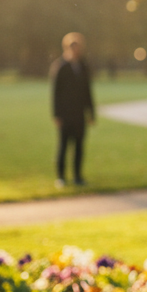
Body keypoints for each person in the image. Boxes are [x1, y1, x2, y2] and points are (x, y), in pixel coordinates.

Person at [49, 32, 96, 188]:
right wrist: (56, 114)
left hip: (79, 114)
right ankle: (61, 177)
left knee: (79, 147)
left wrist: (91, 112)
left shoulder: (83, 66)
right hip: (65, 114)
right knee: (63, 146)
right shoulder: (61, 66)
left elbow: (88, 91)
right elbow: (55, 93)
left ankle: (77, 176)